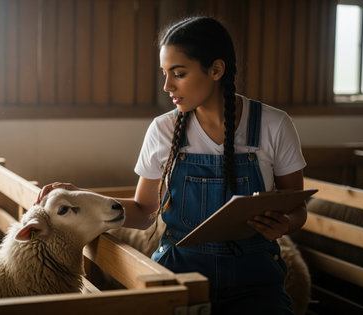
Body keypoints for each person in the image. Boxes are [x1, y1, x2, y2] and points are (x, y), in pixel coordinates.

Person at [35, 16, 306, 314]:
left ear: (216, 69)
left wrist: (287, 223)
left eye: (178, 73)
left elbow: (297, 207)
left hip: (256, 281)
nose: (166, 86)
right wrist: (79, 197)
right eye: (165, 73)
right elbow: (142, 212)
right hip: (178, 276)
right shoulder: (162, 130)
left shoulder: (275, 125)